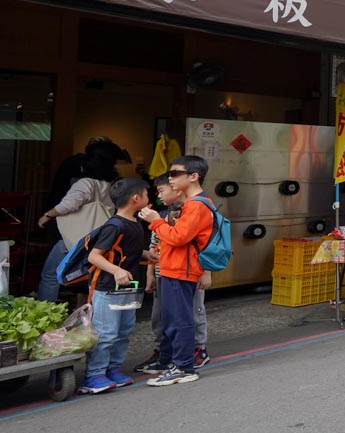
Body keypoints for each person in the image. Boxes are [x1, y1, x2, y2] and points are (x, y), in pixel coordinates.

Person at [138, 155, 217, 387]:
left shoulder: (196, 206)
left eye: (175, 174)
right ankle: (179, 364)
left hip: (181, 269)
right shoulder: (191, 205)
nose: (171, 179)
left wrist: (154, 220)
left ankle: (183, 366)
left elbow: (179, 237)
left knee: (179, 320)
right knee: (173, 319)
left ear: (193, 177)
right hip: (174, 268)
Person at [78, 179, 150, 395]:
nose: (149, 198)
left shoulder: (135, 222)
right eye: (146, 194)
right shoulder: (115, 225)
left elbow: (128, 250)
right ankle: (93, 374)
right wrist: (116, 270)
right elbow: (94, 256)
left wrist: (147, 254)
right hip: (107, 288)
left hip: (127, 288)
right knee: (106, 332)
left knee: (124, 330)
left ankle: (113, 368)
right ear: (136, 199)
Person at [35, 147, 120, 302]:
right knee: (91, 277)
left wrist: (47, 216)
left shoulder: (86, 183)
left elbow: (67, 205)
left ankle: (45, 310)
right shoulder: (110, 185)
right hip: (98, 239)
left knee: (50, 275)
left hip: (75, 239)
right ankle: (88, 313)